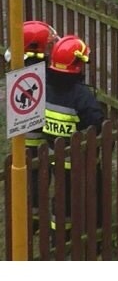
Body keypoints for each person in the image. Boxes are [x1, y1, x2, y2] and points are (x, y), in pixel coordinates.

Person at [42, 35, 104, 241]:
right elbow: (97, 123)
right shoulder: (80, 95)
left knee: (61, 199)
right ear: (77, 66)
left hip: (54, 157)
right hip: (82, 161)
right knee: (92, 196)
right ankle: (95, 236)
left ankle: (58, 237)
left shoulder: (44, 88)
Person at [4, 20, 59, 232]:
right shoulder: (38, 70)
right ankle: (34, 215)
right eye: (49, 43)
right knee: (37, 177)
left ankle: (33, 215)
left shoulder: (21, 63)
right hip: (37, 134)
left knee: (34, 177)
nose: (52, 46)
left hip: (27, 133)